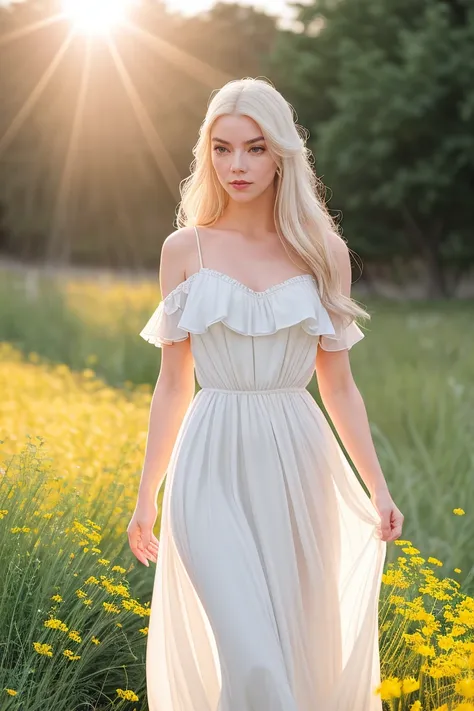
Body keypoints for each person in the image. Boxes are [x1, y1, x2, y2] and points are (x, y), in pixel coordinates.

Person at [127, 77, 404, 711]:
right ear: (207, 154)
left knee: (297, 647)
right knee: (250, 655)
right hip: (209, 461)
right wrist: (148, 494)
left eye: (254, 148)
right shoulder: (184, 249)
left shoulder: (322, 253)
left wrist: (377, 487)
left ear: (281, 152)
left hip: (298, 460)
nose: (237, 166)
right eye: (222, 149)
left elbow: (339, 386)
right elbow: (173, 383)